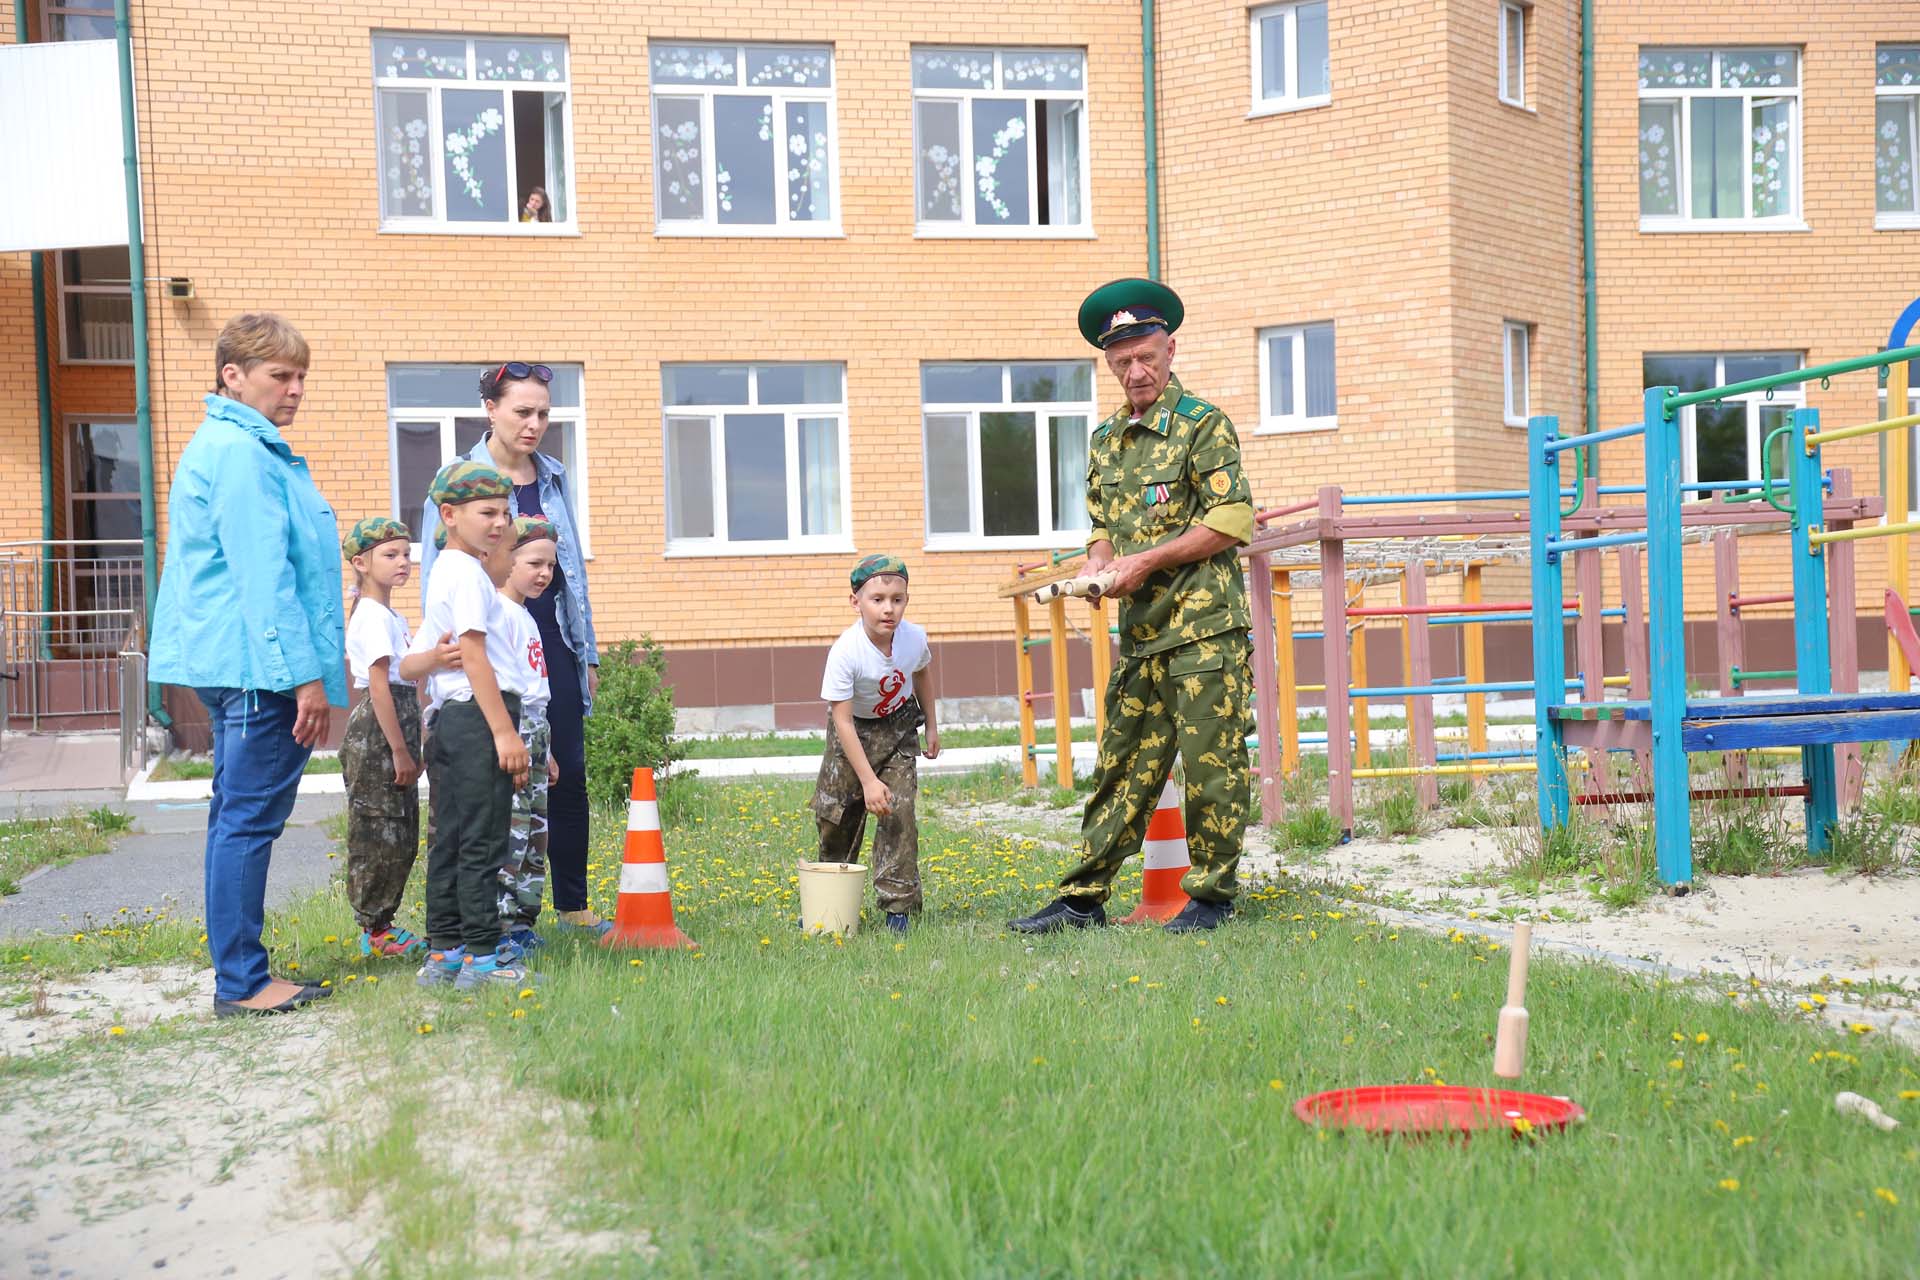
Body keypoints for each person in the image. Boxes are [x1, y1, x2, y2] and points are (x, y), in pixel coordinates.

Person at [1009, 279, 1257, 936]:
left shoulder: (1203, 426)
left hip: (1205, 631)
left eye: (1146, 357)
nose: (1136, 372)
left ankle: (1211, 899)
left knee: (1213, 764)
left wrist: (1144, 562)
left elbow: (1231, 520)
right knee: (1122, 765)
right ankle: (1082, 900)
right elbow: (1101, 520)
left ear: (1169, 349)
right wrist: (1098, 559)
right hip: (1143, 635)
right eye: (1122, 363)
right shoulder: (1105, 440)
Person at [149, 312, 344, 1015]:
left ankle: (242, 974)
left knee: (235, 818)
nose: (294, 390)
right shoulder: (240, 453)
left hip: (238, 658)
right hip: (258, 666)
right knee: (248, 822)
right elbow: (265, 576)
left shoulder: (237, 445)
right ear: (233, 376)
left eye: (301, 377)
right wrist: (306, 680)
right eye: (279, 376)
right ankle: (243, 984)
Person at [419, 363, 604, 936]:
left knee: (566, 771)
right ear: (490, 410)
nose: (535, 424)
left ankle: (571, 904)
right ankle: (494, 915)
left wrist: (587, 652)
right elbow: (436, 573)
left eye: (544, 413)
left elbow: (572, 571)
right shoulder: (457, 480)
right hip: (488, 640)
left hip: (553, 639)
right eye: (522, 411)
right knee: (500, 778)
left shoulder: (553, 475)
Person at [413, 460, 537, 991]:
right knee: (484, 842)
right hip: (480, 716)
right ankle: (483, 960)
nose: (499, 524)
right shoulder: (465, 572)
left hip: (451, 718)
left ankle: (443, 953)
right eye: (486, 512)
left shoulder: (445, 570)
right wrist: (505, 733)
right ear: (449, 515)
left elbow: (410, 661)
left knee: (451, 840)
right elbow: (475, 654)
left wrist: (433, 663)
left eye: (505, 513)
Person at [811, 555, 941, 934]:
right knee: (836, 816)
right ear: (856, 602)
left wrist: (932, 725)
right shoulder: (846, 652)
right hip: (852, 736)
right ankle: (830, 904)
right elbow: (843, 720)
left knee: (897, 812)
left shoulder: (914, 637)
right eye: (878, 599)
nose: (889, 608)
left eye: (897, 599)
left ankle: (898, 908)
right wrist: (868, 781)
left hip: (898, 728)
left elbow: (922, 673)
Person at [338, 517, 426, 959]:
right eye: (390, 555)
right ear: (361, 562)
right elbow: (379, 687)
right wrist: (398, 749)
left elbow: (408, 683)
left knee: (403, 829)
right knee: (379, 830)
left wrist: (418, 741)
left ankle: (385, 925)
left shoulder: (393, 614)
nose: (403, 562)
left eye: (406, 554)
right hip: (377, 732)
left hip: (400, 720)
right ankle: (374, 929)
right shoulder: (371, 616)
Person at [491, 515, 562, 957]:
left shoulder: (527, 615)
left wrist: (547, 750)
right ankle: (497, 928)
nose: (543, 574)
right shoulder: (498, 613)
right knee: (511, 834)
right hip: (515, 730)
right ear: (508, 559)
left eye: (550, 566)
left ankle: (522, 923)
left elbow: (538, 689)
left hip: (538, 730)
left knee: (536, 833)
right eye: (534, 562)